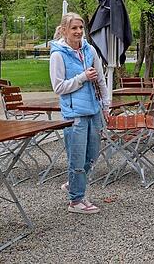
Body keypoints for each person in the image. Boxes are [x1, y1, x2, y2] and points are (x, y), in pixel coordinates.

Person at [49, 12, 111, 214]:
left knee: (92, 155)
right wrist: (82, 77)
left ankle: (74, 183)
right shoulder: (58, 55)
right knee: (76, 158)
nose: (78, 31)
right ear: (64, 30)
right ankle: (76, 200)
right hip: (74, 113)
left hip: (94, 109)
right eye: (74, 28)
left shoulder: (89, 50)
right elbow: (58, 87)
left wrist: (106, 105)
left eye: (81, 28)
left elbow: (101, 80)